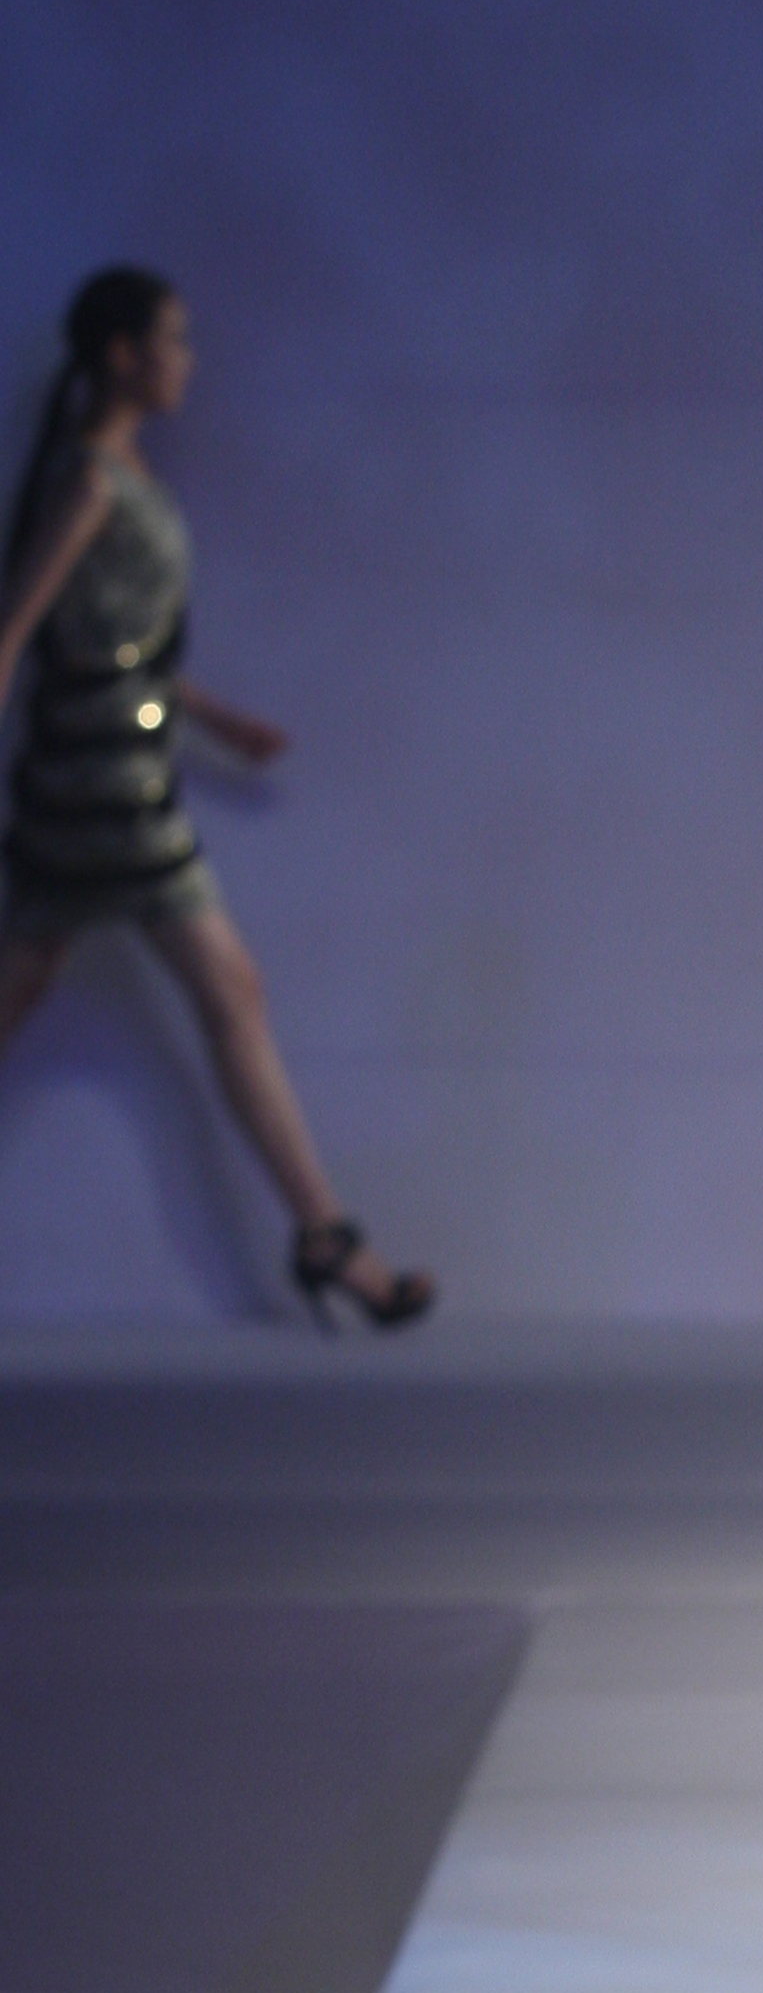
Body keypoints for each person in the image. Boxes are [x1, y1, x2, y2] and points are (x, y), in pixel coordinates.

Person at [0, 268, 433, 1326]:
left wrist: (217, 720)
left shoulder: (122, 475)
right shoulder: (93, 480)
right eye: (174, 339)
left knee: (133, 990)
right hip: (101, 789)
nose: (187, 360)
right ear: (123, 355)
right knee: (225, 990)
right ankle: (326, 1237)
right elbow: (18, 634)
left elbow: (120, 648)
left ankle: (325, 1235)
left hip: (112, 779)